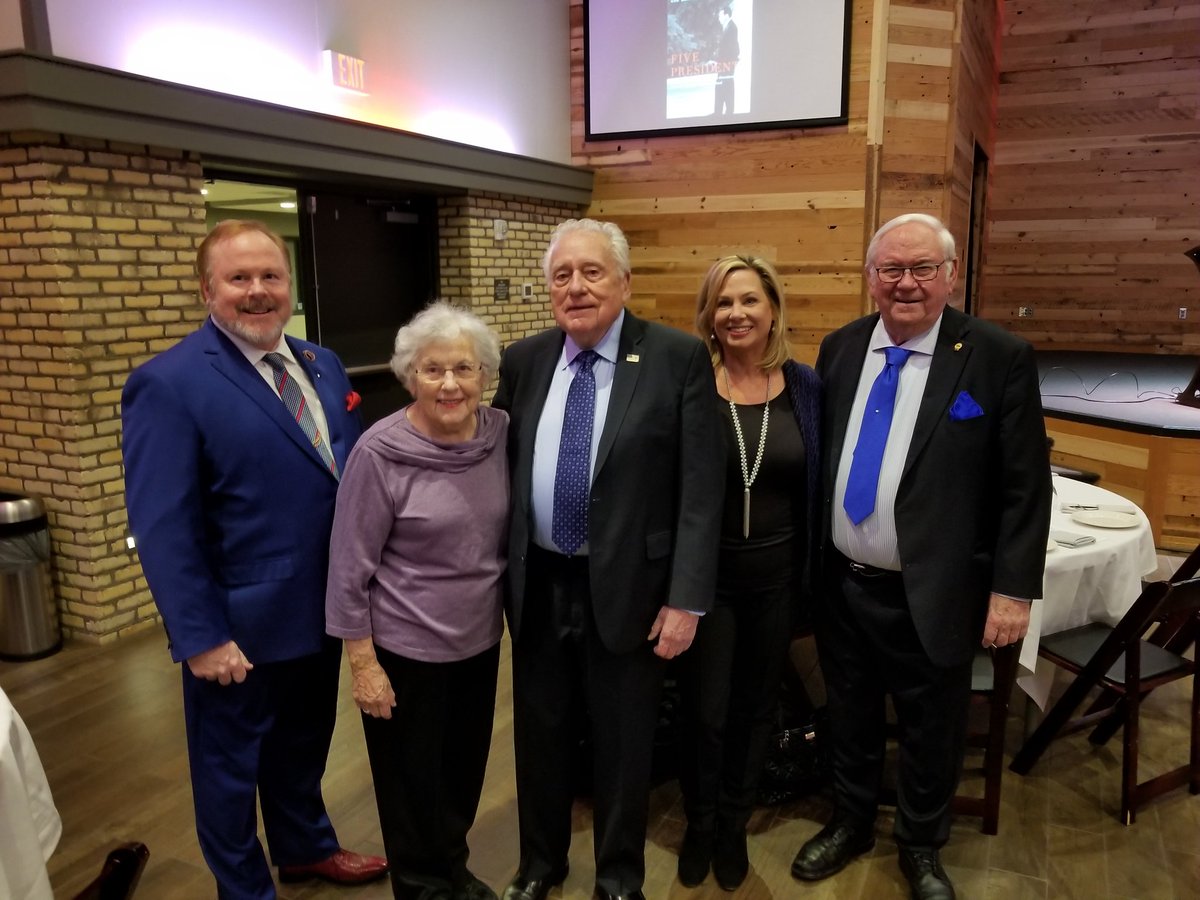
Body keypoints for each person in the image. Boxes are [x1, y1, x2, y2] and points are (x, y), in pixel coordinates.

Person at [121, 219, 386, 898]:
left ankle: (304, 848)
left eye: (271, 275)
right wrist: (200, 636)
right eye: (239, 278)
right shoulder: (168, 383)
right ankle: (245, 890)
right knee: (229, 772)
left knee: (304, 745)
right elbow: (163, 525)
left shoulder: (321, 363)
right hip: (238, 628)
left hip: (322, 608)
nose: (258, 290)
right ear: (207, 289)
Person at [789, 214, 1050, 900]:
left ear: (950, 275)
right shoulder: (842, 347)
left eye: (923, 268)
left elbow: (1025, 487)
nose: (906, 283)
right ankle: (850, 822)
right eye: (891, 269)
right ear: (870, 277)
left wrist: (1012, 591)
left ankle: (921, 844)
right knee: (848, 713)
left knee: (933, 726)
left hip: (934, 590)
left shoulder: (996, 356)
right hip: (843, 584)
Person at [491, 218, 725, 900]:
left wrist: (686, 599)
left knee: (624, 743)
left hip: (632, 588)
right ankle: (540, 865)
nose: (576, 287)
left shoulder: (676, 357)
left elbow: (701, 490)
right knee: (540, 737)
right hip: (539, 582)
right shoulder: (523, 360)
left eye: (591, 272)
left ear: (624, 281)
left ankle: (620, 878)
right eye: (561, 275)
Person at [326, 301, 507, 900]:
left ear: (484, 375)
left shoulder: (500, 434)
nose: (450, 384)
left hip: (479, 641)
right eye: (433, 370)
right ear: (410, 377)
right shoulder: (379, 454)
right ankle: (422, 887)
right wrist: (363, 665)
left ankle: (452, 869)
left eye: (463, 368)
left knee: (462, 773)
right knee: (411, 785)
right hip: (405, 651)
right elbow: (348, 569)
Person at [677, 256, 821, 890]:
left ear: (773, 310)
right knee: (704, 711)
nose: (735, 313)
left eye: (749, 300)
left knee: (757, 708)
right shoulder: (689, 383)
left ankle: (734, 821)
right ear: (708, 315)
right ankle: (700, 821)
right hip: (706, 583)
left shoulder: (805, 386)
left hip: (778, 579)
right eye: (723, 302)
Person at [712, 5, 739, 115]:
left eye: (720, 15)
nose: (719, 18)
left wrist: (726, 61)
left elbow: (732, 48)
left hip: (727, 64)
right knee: (721, 86)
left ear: (726, 15)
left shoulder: (731, 28)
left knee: (726, 86)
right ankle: (719, 111)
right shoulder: (727, 27)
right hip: (724, 64)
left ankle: (727, 112)